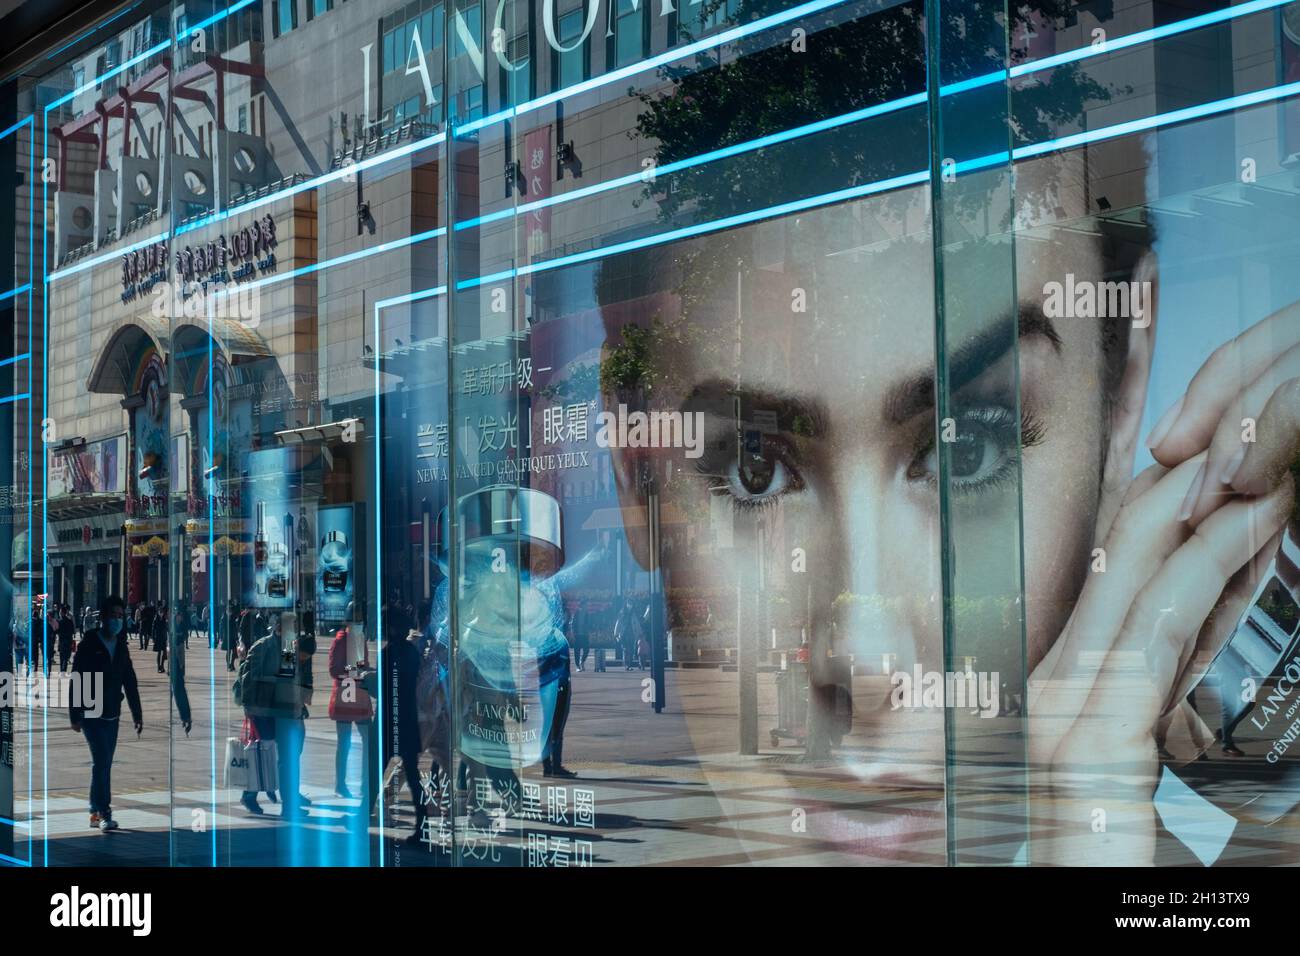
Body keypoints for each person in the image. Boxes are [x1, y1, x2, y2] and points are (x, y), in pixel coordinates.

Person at [70, 595, 143, 832]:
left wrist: (137, 713)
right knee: (102, 762)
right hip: (91, 713)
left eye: (121, 616)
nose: (117, 620)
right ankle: (104, 812)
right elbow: (77, 678)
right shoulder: (90, 643)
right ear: (102, 617)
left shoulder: (121, 645)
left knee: (102, 765)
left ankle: (93, 810)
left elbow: (129, 681)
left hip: (113, 713)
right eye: (113, 615)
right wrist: (75, 714)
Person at [328, 626, 373, 800]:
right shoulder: (341, 640)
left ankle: (365, 783)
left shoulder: (360, 639)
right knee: (344, 742)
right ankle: (340, 784)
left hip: (359, 694)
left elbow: (362, 664)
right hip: (347, 694)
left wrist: (366, 671)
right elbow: (334, 670)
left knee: (368, 741)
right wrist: (355, 671)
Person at [57, 604, 75, 672]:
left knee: (62, 657)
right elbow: (72, 630)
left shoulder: (59, 621)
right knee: (66, 657)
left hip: (62, 641)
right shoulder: (69, 621)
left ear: (62, 613)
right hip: (68, 640)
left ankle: (62, 670)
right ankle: (64, 670)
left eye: (60, 612)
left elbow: (57, 631)